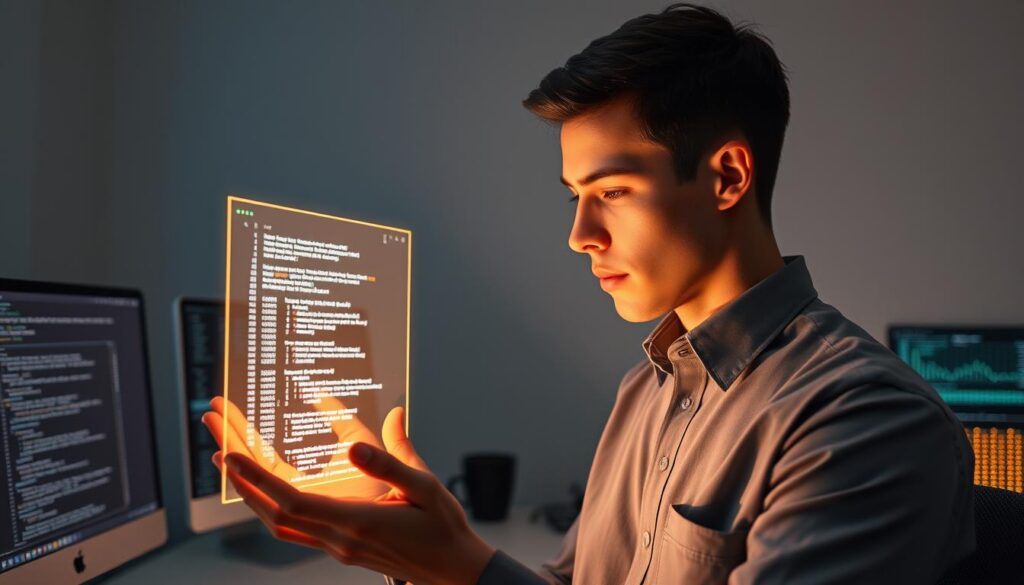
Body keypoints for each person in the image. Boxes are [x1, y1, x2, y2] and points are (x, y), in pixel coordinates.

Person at [203, 3, 975, 583]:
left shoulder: (868, 422)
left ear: (728, 177)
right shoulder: (646, 389)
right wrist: (427, 551)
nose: (579, 234)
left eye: (611, 191)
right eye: (575, 195)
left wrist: (461, 563)